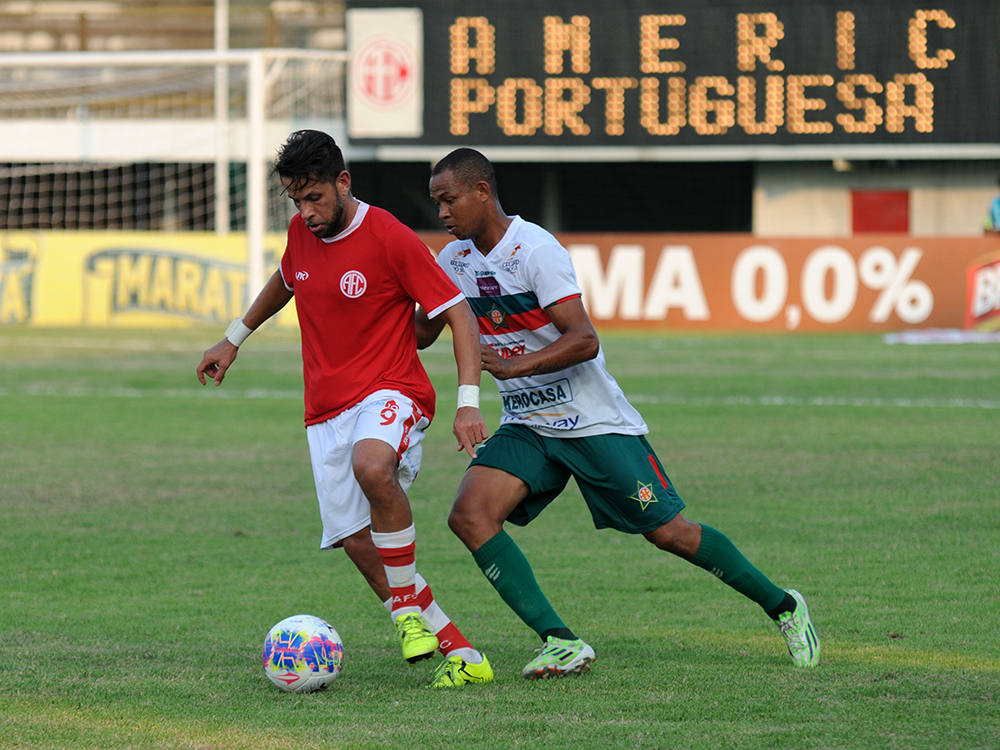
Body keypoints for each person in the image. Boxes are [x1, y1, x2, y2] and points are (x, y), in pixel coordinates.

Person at [416, 147, 820, 680]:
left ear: (482, 192)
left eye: (448, 200)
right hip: (528, 425)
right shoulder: (452, 261)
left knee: (670, 533)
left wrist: (516, 368)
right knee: (469, 515)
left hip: (591, 419)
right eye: (436, 204)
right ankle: (559, 640)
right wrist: (399, 287)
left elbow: (584, 339)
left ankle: (782, 606)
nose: (442, 214)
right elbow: (423, 333)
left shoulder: (536, 250)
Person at [196, 131, 493, 688]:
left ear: (343, 182)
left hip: (391, 389)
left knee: (372, 466)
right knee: (357, 540)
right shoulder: (299, 234)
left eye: (315, 199)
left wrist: (467, 403)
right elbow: (286, 280)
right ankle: (461, 653)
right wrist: (233, 337)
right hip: (324, 410)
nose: (306, 213)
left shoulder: (389, 235)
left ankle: (404, 612)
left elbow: (459, 316)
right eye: (295, 201)